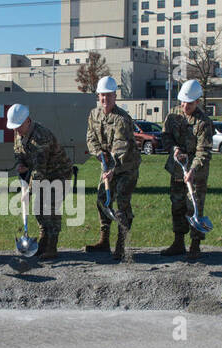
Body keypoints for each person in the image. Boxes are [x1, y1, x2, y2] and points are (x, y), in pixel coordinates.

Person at [85, 76, 140, 262]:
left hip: (126, 167)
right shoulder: (94, 115)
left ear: (115, 97)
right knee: (102, 199)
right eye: (101, 96)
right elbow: (90, 138)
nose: (104, 100)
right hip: (107, 164)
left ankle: (122, 245)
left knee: (122, 204)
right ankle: (104, 240)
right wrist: (99, 153)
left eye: (108, 96)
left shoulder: (121, 119)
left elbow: (120, 147)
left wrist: (112, 167)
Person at [160, 79, 215, 259]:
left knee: (194, 206)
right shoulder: (173, 115)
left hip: (196, 173)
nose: (185, 106)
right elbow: (165, 137)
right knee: (177, 205)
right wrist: (174, 149)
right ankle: (178, 242)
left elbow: (204, 151)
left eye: (189, 103)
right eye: (183, 102)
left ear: (197, 102)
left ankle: (195, 244)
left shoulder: (204, 123)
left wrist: (192, 170)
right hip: (177, 169)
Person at [10, 103, 72, 260]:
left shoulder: (40, 138)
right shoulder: (19, 134)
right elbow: (18, 154)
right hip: (42, 174)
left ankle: (51, 246)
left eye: (18, 126)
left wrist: (28, 193)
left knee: (50, 208)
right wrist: (20, 166)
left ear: (28, 121)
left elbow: (39, 171)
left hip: (58, 175)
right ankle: (43, 240)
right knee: (39, 209)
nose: (16, 130)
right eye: (14, 127)